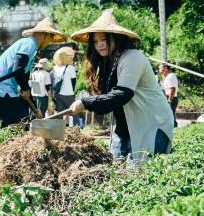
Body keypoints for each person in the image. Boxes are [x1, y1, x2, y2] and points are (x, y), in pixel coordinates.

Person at [68, 9, 174, 161]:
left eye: (104, 39)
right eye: (96, 42)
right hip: (125, 128)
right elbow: (108, 99)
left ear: (117, 38)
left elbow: (122, 94)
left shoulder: (133, 57)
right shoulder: (108, 63)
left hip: (151, 125)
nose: (100, 45)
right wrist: (87, 101)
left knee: (140, 176)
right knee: (117, 172)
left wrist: (86, 102)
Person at [0, 17, 66, 127]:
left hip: (5, 92)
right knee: (21, 122)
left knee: (20, 120)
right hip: (1, 90)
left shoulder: (31, 48)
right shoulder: (29, 45)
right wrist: (25, 88)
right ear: (44, 35)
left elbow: (24, 78)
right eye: (50, 38)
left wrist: (35, 107)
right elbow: (18, 71)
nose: (49, 42)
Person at [51, 46, 77, 126]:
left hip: (58, 93)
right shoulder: (71, 68)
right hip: (69, 93)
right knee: (69, 112)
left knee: (59, 112)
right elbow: (73, 81)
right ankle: (67, 128)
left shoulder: (55, 68)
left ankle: (58, 129)